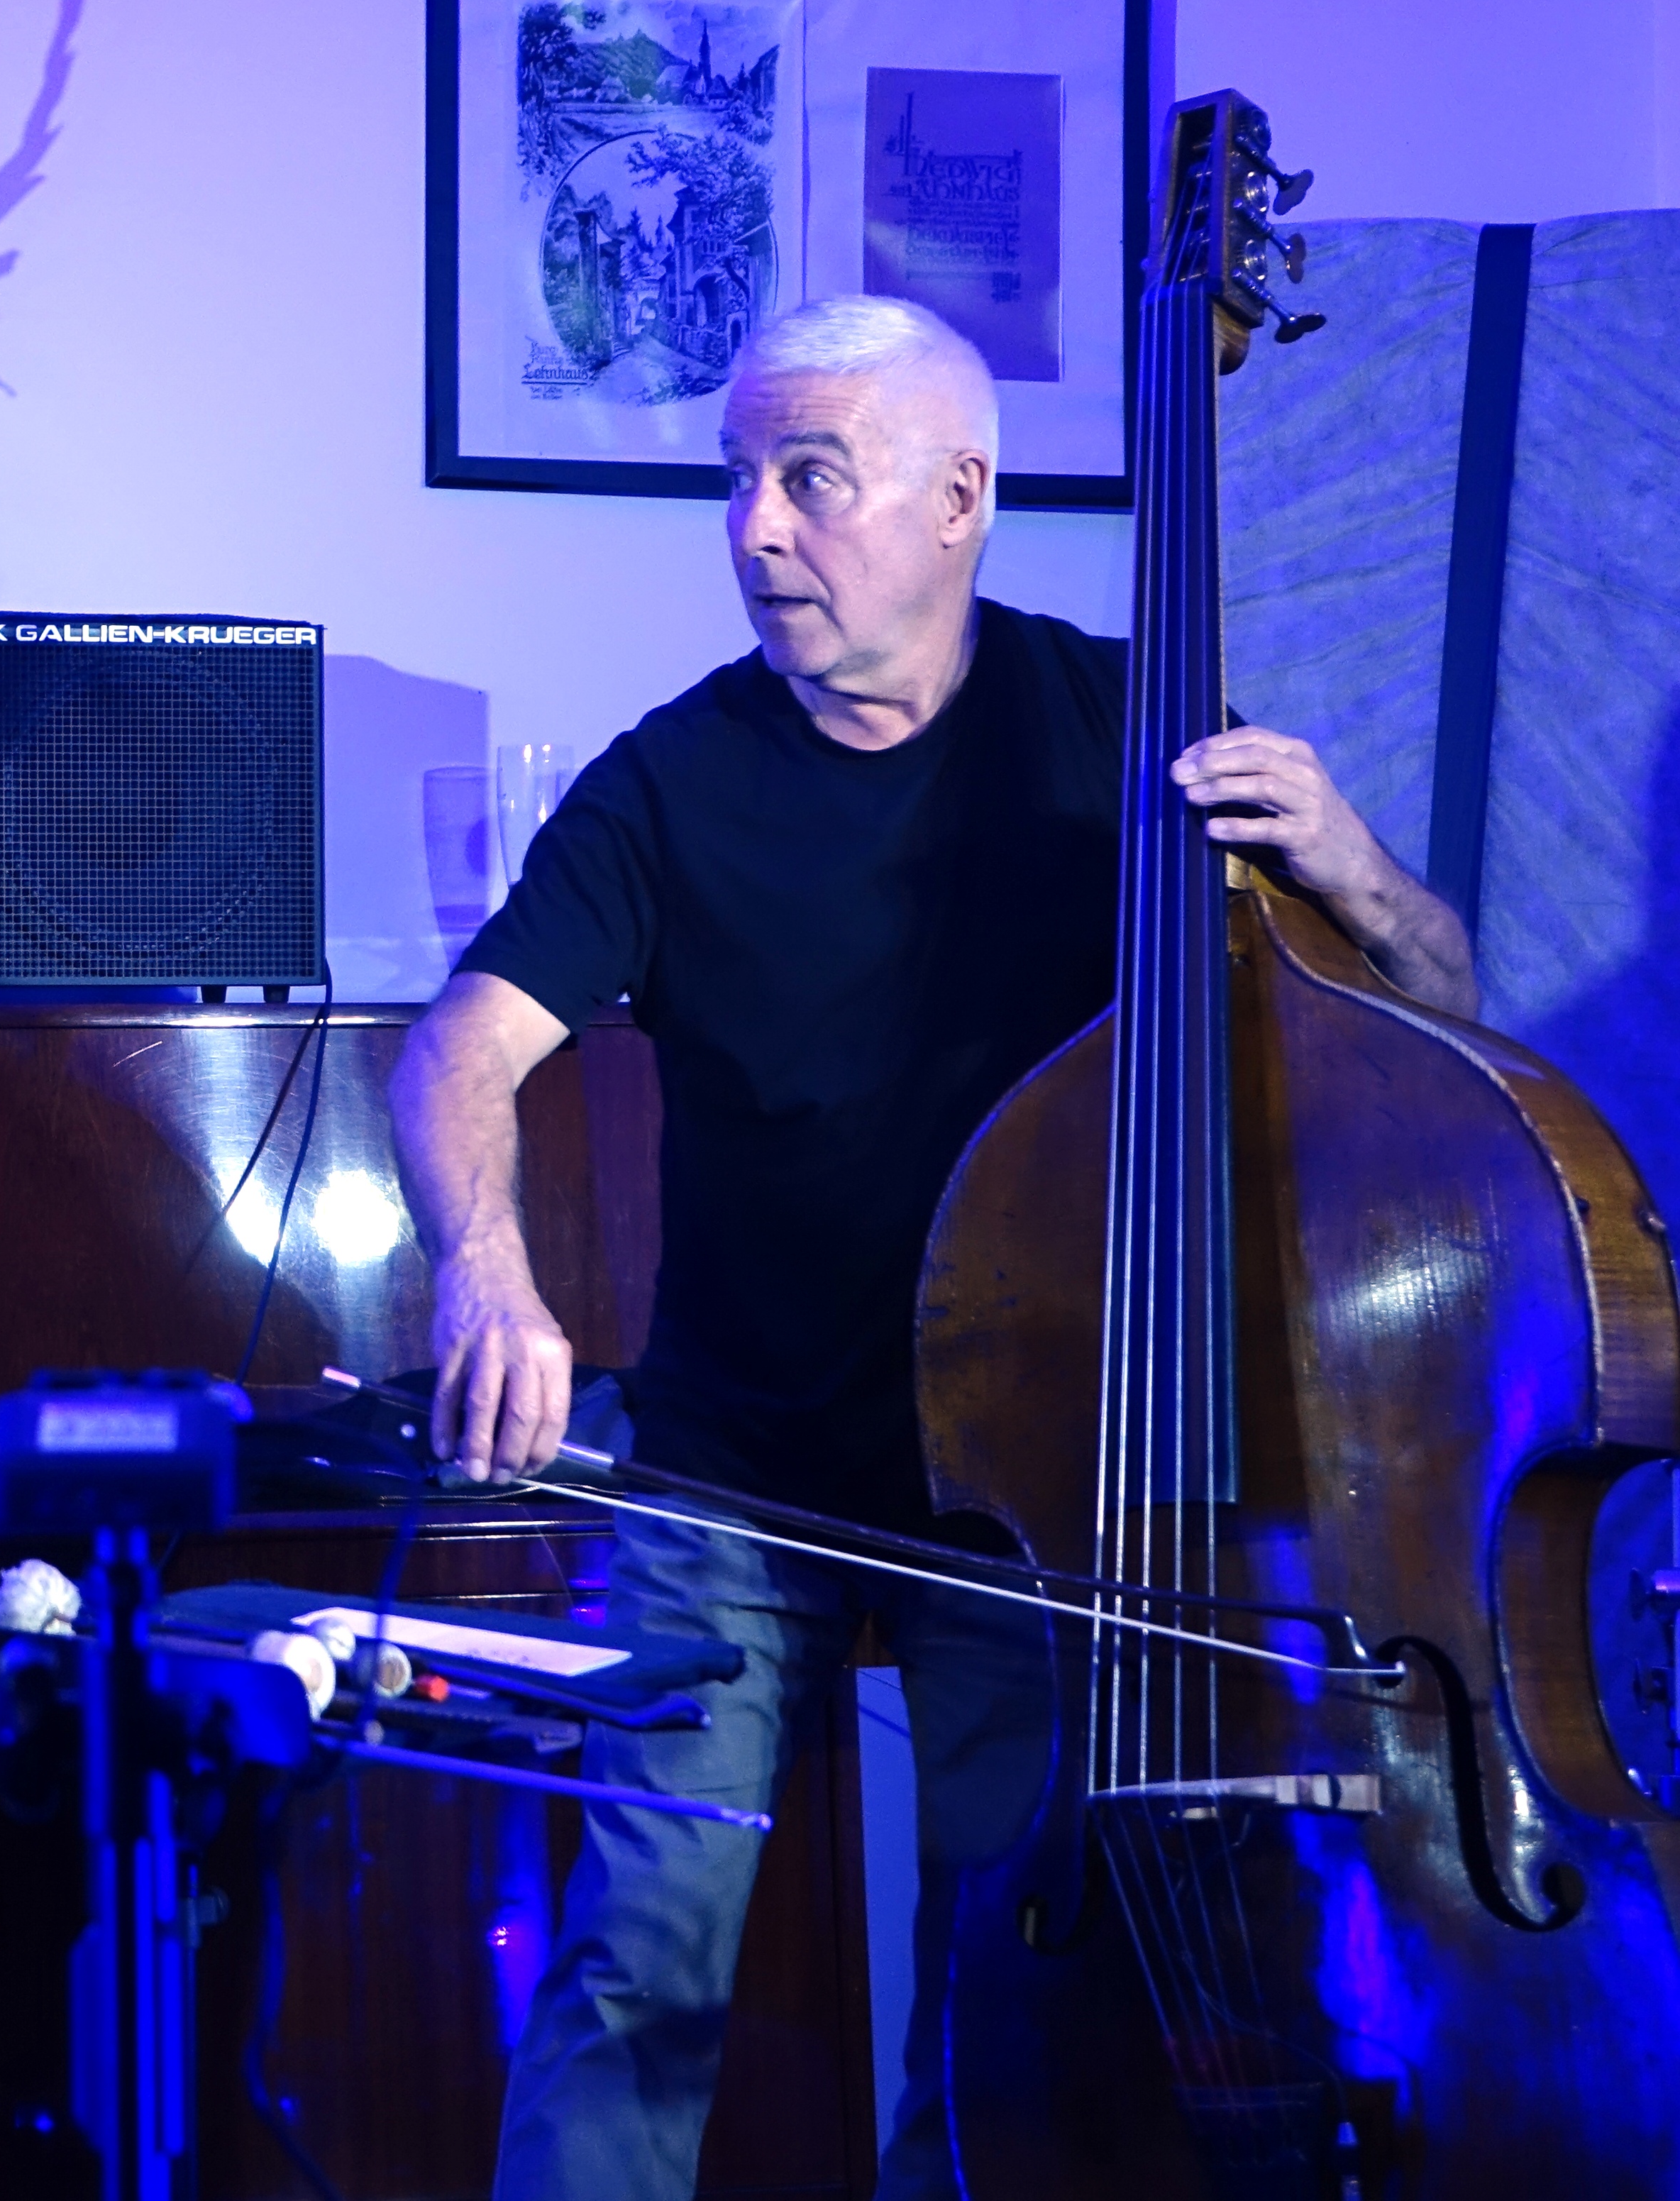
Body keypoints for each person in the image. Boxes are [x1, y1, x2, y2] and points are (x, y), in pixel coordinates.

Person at [387, 294, 1471, 2201]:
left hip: (1034, 1497)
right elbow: (464, 1044)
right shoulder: (673, 777)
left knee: (996, 1974)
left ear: (962, 497)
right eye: (737, 479)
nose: (755, 527)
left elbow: (1444, 1020)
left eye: (810, 477)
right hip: (736, 1473)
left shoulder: (1129, 736)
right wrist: (489, 1270)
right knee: (640, 1955)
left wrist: (1355, 867)